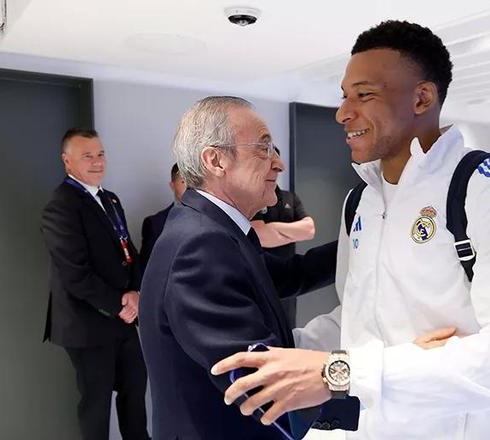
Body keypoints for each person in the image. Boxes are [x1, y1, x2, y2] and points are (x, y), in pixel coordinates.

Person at [213, 20, 490, 439]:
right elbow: (357, 320)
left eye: (364, 95)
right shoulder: (361, 200)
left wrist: (345, 373)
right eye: (344, 96)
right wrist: (285, 354)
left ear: (422, 98)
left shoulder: (482, 188)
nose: (343, 113)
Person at [139, 96, 357, 440]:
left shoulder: (214, 229)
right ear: (216, 160)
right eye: (264, 148)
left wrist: (361, 246)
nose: (278, 164)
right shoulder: (201, 245)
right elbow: (262, 386)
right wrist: (379, 388)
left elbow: (291, 275)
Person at [41, 128, 149, 440]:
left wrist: (136, 293)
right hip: (87, 323)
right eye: (87, 156)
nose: (97, 162)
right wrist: (119, 305)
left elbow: (129, 252)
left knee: (135, 396)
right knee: (96, 407)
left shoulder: (110, 199)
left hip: (124, 319)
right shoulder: (61, 206)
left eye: (100, 154)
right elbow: (76, 274)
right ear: (67, 161)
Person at [251, 148, 316, 326]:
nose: (277, 168)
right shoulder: (254, 197)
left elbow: (309, 230)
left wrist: (274, 229)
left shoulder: (289, 197)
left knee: (288, 326)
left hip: (289, 271)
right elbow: (260, 235)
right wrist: (293, 233)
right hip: (264, 273)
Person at [140, 163, 186, 274]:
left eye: (194, 181)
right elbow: (148, 269)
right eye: (183, 181)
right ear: (172, 185)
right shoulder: (155, 224)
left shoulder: (213, 219)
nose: (190, 187)